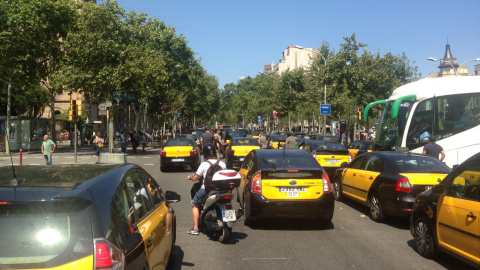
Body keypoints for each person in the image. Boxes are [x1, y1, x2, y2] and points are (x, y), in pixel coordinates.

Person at [186, 143, 226, 235]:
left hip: (207, 189)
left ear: (205, 154)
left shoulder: (204, 164)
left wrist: (190, 178)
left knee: (195, 204)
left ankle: (195, 228)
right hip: (221, 190)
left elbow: (196, 178)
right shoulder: (222, 163)